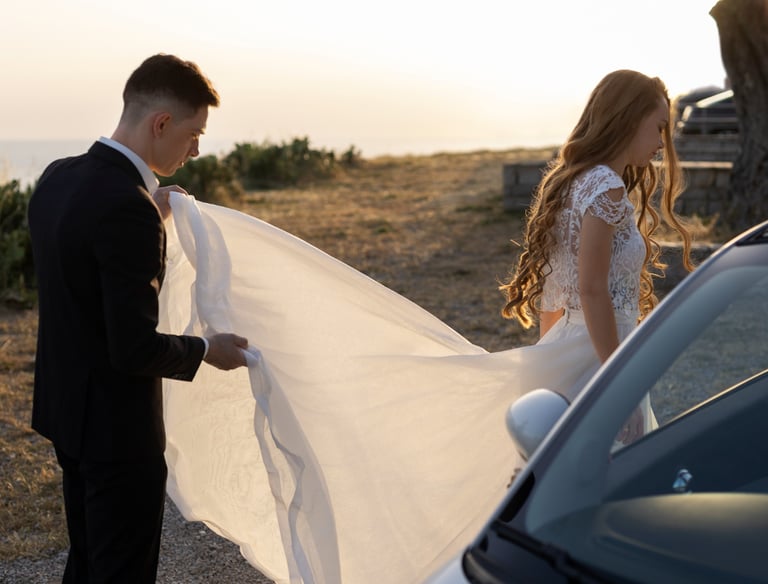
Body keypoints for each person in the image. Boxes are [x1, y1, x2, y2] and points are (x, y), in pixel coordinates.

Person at [27, 54, 249, 583]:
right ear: (162, 124)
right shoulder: (128, 208)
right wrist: (206, 350)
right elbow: (132, 347)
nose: (197, 149)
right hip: (115, 433)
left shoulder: (58, 179)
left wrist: (150, 207)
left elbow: (82, 278)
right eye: (194, 133)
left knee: (86, 561)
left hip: (66, 413)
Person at [499, 69, 693, 440]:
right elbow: (591, 289)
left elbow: (554, 291)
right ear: (629, 120)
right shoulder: (606, 186)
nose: (661, 141)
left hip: (571, 350)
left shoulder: (574, 179)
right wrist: (616, 387)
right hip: (598, 360)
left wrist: (547, 359)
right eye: (658, 127)